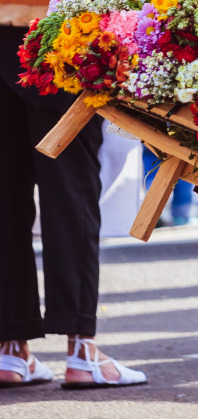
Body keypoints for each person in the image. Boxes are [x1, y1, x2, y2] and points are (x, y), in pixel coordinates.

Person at [0, 27, 146, 389]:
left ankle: (10, 348)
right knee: (70, 198)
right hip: (58, 45)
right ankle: (81, 350)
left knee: (6, 202)